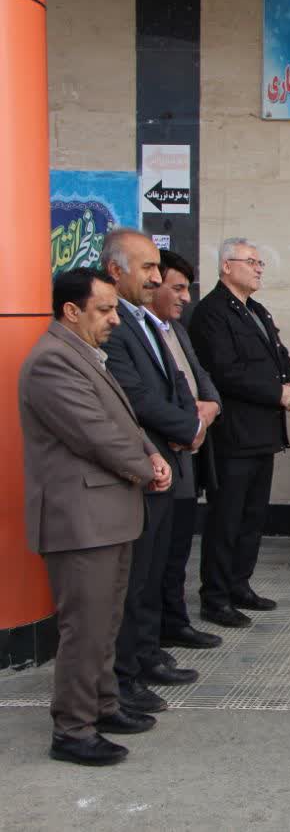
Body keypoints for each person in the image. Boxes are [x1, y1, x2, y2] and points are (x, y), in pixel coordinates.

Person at [19, 269, 171, 766]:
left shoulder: (82, 353)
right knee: (84, 628)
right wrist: (146, 470)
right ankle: (73, 730)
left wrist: (151, 452)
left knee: (105, 622)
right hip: (80, 522)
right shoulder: (52, 361)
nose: (114, 319)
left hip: (108, 515)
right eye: (104, 310)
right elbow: (94, 434)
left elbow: (122, 421)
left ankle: (103, 705)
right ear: (71, 311)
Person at [100, 230, 202, 715]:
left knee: (155, 569)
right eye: (147, 268)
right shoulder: (115, 325)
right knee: (134, 579)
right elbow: (134, 396)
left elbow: (177, 381)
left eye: (158, 268)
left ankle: (145, 656)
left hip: (168, 461)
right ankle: (125, 676)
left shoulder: (145, 321)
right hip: (142, 468)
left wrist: (193, 423)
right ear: (115, 270)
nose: (157, 278)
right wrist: (187, 426)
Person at [189, 238, 290, 628]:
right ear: (226, 266)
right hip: (233, 435)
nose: (258, 268)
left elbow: (279, 354)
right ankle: (215, 598)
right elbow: (225, 372)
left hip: (263, 433)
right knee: (226, 519)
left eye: (260, 263)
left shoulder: (255, 310)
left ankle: (239, 585)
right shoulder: (211, 313)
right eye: (251, 262)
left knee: (252, 517)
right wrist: (277, 393)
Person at [151, 250, 223, 652]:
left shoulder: (176, 330)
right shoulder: (135, 331)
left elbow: (200, 377)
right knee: (159, 554)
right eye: (177, 288)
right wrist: (189, 426)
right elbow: (142, 397)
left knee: (179, 547)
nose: (185, 297)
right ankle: (157, 633)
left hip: (190, 453)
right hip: (164, 455)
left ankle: (175, 622)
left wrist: (210, 409)